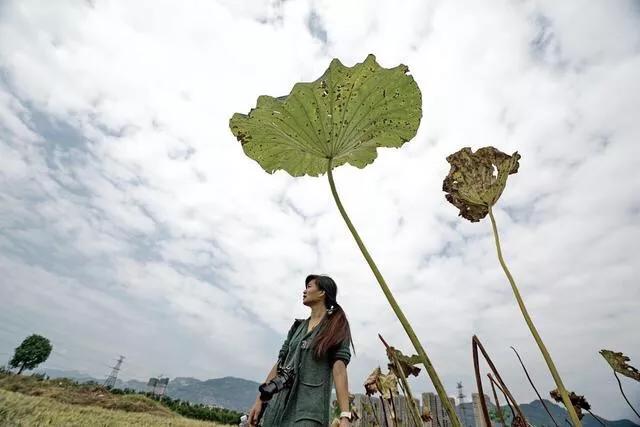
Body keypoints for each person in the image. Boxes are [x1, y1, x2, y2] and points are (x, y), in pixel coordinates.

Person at [247, 274, 355, 426]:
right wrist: (260, 399)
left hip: (309, 412)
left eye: (309, 287)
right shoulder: (297, 327)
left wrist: (345, 416)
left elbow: (339, 369)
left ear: (322, 292)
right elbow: (280, 365)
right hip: (277, 408)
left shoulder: (335, 327)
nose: (304, 291)